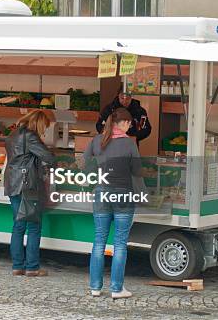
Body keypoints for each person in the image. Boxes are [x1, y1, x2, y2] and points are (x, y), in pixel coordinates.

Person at [85, 107, 144, 299]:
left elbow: (85, 166)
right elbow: (137, 171)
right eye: (129, 123)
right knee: (119, 244)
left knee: (99, 241)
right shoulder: (129, 144)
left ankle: (95, 287)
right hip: (123, 196)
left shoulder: (96, 141)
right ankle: (117, 289)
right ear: (124, 123)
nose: (130, 126)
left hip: (102, 194)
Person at [4, 110, 56, 277]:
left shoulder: (13, 134)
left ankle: (17, 266)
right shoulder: (30, 136)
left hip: (13, 183)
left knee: (18, 226)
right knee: (34, 226)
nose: (44, 131)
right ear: (39, 123)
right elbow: (48, 157)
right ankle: (32, 267)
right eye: (45, 127)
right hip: (28, 186)